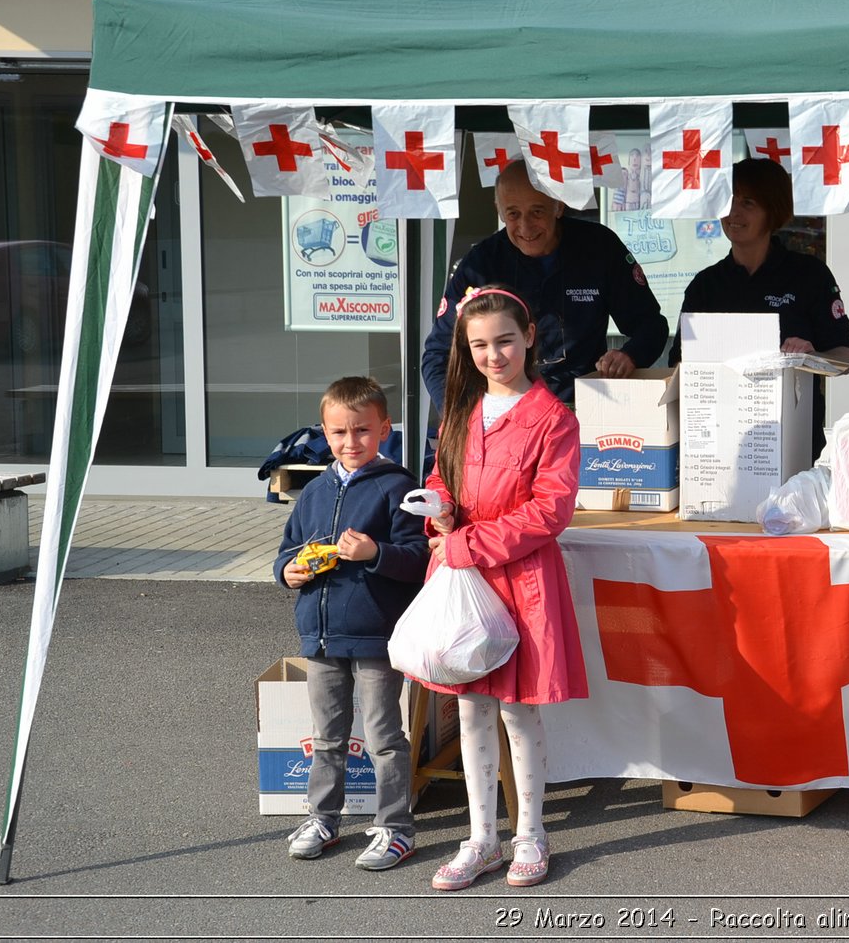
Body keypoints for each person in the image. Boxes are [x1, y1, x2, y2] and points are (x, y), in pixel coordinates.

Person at [414, 284, 586, 890]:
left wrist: (464, 542)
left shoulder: (554, 418)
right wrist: (437, 503)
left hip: (522, 578)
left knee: (517, 713)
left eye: (505, 341)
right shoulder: (459, 412)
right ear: (466, 346)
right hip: (464, 575)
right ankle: (481, 837)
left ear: (530, 337)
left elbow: (550, 511)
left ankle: (531, 834)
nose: (493, 354)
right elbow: (444, 476)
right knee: (470, 710)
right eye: (480, 344)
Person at [272, 377, 428, 871]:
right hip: (320, 636)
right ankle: (323, 817)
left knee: (384, 736)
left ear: (384, 428)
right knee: (327, 736)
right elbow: (288, 551)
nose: (350, 442)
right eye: (339, 432)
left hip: (377, 635)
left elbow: (419, 558)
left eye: (362, 430)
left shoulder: (398, 486)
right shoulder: (315, 489)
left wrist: (374, 552)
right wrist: (288, 572)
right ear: (324, 431)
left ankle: (395, 827)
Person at [421, 161, 668, 407]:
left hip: (584, 409)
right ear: (499, 211)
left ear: (558, 206)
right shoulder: (482, 264)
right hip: (505, 413)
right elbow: (438, 354)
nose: (526, 227)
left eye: (537, 212)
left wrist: (630, 355)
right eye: (513, 214)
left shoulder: (598, 247)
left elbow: (651, 325)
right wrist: (462, 416)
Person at [668, 158, 849, 451]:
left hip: (795, 446)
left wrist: (810, 357)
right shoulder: (705, 285)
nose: (734, 213)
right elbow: (679, 365)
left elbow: (845, 359)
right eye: (728, 201)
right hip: (717, 448)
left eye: (748, 202)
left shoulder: (809, 275)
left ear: (773, 211)